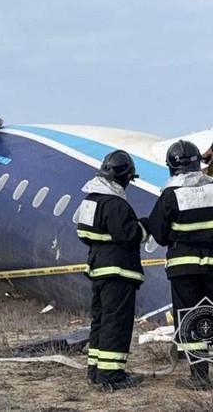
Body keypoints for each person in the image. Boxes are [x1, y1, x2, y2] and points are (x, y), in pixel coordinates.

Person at [145, 140, 213, 391]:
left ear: (172, 166)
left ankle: (200, 376)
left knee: (190, 319)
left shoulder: (171, 194)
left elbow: (159, 233)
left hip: (184, 267)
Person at [75, 150, 146, 391]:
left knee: (101, 320)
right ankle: (111, 375)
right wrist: (144, 227)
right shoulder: (116, 204)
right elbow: (130, 236)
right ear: (124, 177)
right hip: (118, 272)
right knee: (117, 322)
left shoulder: (90, 200)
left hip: (97, 269)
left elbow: (83, 234)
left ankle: (95, 370)